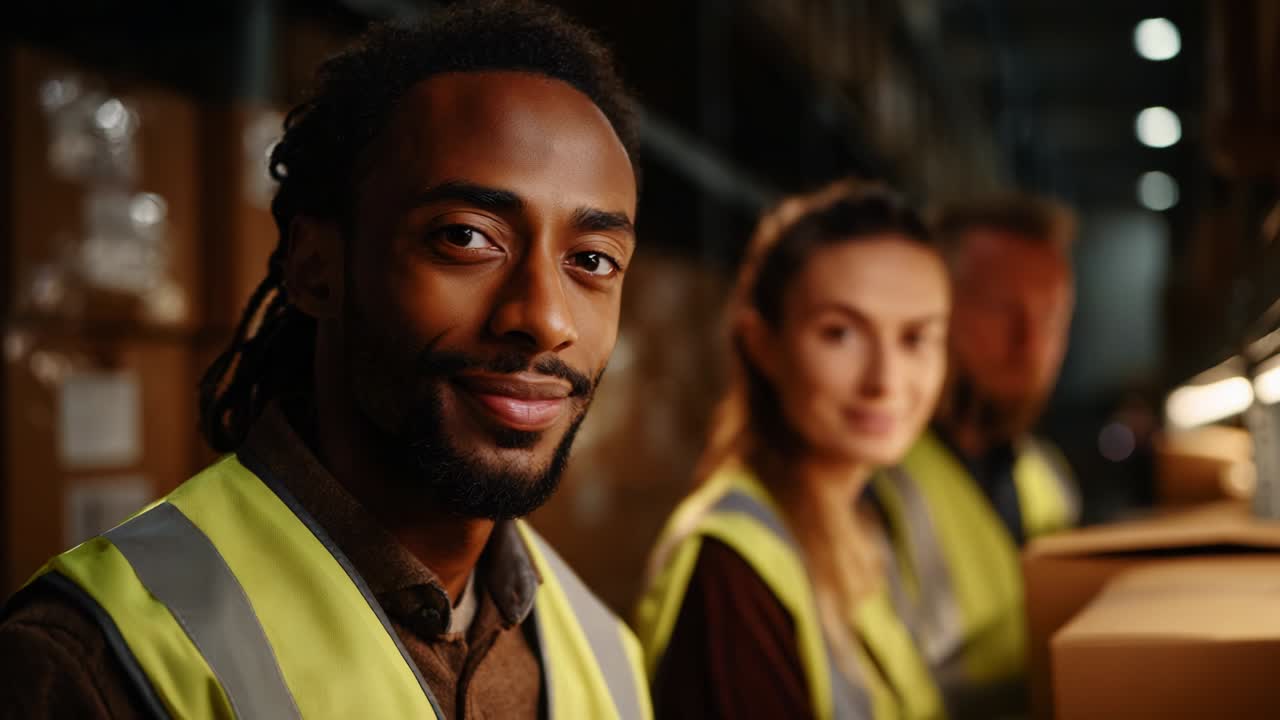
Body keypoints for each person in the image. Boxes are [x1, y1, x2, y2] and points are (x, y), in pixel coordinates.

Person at [0, 3, 650, 718]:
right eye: (466, 238)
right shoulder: (96, 664)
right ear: (316, 269)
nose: (545, 319)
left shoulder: (610, 658)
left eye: (591, 260)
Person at [637, 180, 952, 719]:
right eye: (840, 334)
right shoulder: (730, 569)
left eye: (916, 338)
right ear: (764, 344)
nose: (887, 380)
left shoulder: (867, 518)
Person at [870, 193, 1080, 717]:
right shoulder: (867, 482)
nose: (1030, 342)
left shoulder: (1047, 475)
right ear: (929, 309)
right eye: (1001, 308)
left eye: (1051, 316)